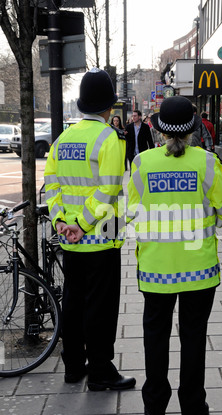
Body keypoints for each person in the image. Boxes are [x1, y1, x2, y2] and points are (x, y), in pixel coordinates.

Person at [127, 96, 222, 415]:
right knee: (194, 336)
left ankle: (155, 406)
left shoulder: (143, 163)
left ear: (158, 132)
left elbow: (131, 213)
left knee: (155, 336)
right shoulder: (206, 162)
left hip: (157, 269)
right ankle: (192, 406)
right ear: (192, 130)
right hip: (198, 269)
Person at [44, 68, 136, 392]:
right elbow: (108, 189)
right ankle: (100, 371)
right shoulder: (109, 138)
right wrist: (83, 226)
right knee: (101, 303)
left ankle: (73, 366)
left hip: (69, 238)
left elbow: (51, 187)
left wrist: (60, 223)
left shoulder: (63, 139)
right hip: (102, 234)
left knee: (73, 299)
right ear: (108, 106)